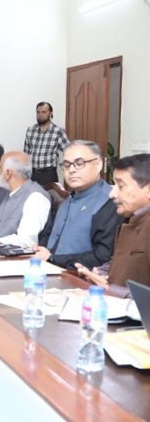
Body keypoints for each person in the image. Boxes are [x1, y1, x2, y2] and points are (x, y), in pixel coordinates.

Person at [35, 140, 124, 269]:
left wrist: (53, 259)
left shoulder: (110, 202)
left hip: (79, 276)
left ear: (98, 164)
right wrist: (40, 249)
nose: (71, 170)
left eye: (79, 164)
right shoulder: (67, 200)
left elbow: (102, 256)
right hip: (48, 269)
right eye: (66, 165)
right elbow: (49, 235)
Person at [75, 154, 150, 297]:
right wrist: (101, 273)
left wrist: (110, 289)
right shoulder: (130, 219)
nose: (112, 194)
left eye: (121, 186)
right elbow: (123, 261)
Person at [0, 151, 51, 247]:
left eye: (0, 168)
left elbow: (26, 241)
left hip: (4, 253)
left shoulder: (36, 198)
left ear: (8, 173)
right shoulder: (10, 193)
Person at [23, 102, 70, 185]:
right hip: (32, 173)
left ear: (50, 113)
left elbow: (69, 150)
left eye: (44, 112)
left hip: (48, 174)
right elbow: (26, 154)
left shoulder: (58, 131)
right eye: (38, 112)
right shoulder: (30, 130)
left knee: (50, 193)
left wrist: (65, 165)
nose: (40, 115)